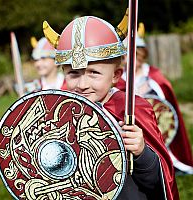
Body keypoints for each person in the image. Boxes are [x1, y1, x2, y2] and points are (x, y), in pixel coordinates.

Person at [43, 15, 179, 200]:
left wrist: (141, 153)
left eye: (94, 73)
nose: (82, 84)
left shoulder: (132, 109)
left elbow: (157, 181)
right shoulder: (56, 113)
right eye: (74, 73)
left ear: (116, 75)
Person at [116, 23, 193, 174]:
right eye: (124, 57)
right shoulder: (119, 78)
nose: (129, 61)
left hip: (154, 123)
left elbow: (165, 107)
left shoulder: (154, 76)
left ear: (142, 55)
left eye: (134, 56)